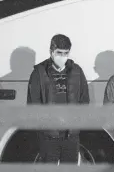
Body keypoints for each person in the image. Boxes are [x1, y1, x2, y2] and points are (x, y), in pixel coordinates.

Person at [27, 34, 89, 164]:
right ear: (51, 52)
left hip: (71, 136)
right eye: (59, 53)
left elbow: (84, 101)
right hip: (48, 136)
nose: (62, 57)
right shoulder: (39, 73)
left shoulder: (77, 71)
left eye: (66, 53)